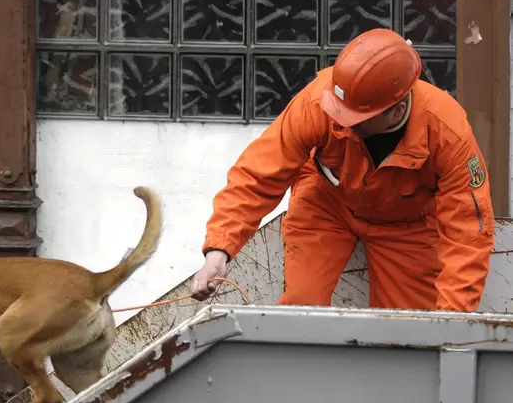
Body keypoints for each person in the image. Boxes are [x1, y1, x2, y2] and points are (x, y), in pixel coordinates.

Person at [190, 28, 494, 312]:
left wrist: (451, 322)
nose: (339, 120)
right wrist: (219, 249)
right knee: (300, 309)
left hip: (407, 225)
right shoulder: (319, 102)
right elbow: (257, 174)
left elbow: (469, 232)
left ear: (396, 111)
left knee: (408, 333)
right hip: (327, 206)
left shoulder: (447, 133)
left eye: (353, 118)